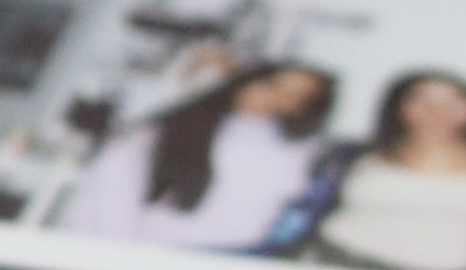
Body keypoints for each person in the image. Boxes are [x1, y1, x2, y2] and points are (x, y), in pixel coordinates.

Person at [61, 63, 337, 251]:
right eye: (275, 86)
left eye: (299, 98)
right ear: (250, 79)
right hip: (132, 246)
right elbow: (111, 203)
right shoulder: (169, 128)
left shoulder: (288, 148)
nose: (281, 100)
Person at [306, 71, 466, 270]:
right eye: (421, 99)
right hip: (344, 259)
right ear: (399, 106)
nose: (437, 110)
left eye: (454, 100)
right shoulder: (357, 154)